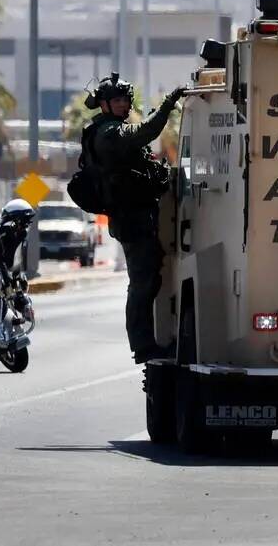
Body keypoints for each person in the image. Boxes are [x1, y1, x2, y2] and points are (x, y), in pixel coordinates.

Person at [84, 73, 185, 364]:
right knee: (142, 283)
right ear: (103, 104)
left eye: (125, 100)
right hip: (131, 218)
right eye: (116, 100)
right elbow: (146, 132)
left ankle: (147, 341)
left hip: (137, 214)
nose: (122, 104)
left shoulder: (113, 130)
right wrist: (168, 104)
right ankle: (143, 345)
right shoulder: (109, 134)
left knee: (149, 279)